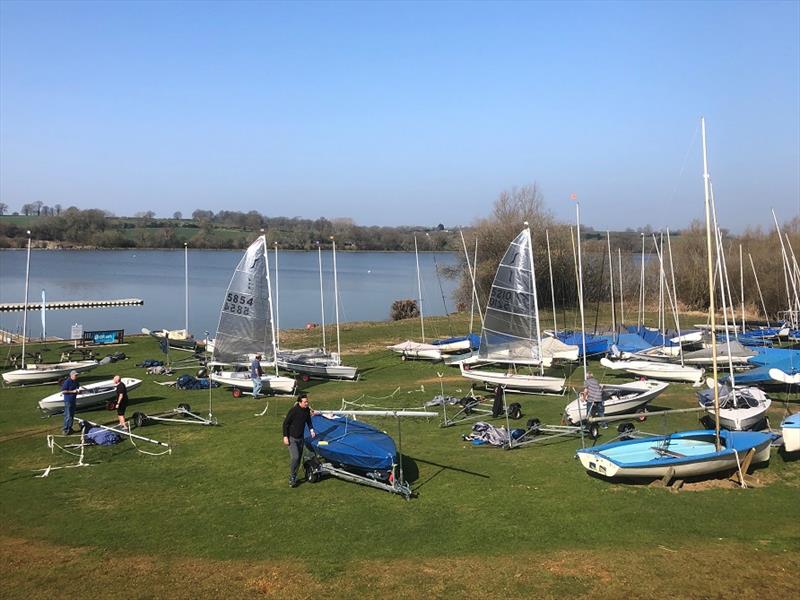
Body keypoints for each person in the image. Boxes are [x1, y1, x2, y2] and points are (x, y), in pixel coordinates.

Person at [282, 393, 316, 487]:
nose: (307, 403)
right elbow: (285, 424)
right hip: (291, 438)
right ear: (300, 402)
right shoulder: (294, 411)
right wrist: (285, 436)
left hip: (301, 438)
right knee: (295, 457)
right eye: (305, 402)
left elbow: (308, 421)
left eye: (307, 401)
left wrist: (312, 430)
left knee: (299, 459)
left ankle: (295, 475)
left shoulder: (307, 410)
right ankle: (292, 478)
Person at [61, 370, 81, 435]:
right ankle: (65, 429)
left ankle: (70, 428)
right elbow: (63, 391)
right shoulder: (67, 382)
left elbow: (78, 387)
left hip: (73, 400)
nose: (76, 376)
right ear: (71, 375)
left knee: (72, 415)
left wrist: (78, 391)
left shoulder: (76, 381)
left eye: (77, 375)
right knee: (68, 415)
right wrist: (73, 392)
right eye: (75, 375)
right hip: (68, 400)